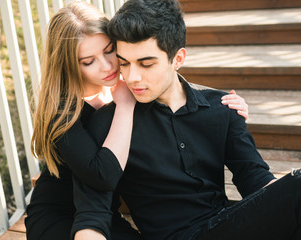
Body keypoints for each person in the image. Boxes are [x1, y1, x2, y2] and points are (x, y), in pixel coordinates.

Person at [25, 1, 249, 239]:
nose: (107, 66)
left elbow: (168, 85)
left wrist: (223, 104)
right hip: (62, 216)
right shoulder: (63, 113)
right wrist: (124, 105)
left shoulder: (121, 84)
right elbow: (104, 175)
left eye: (109, 50)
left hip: (106, 212)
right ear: (69, 64)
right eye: (88, 61)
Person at [79, 0, 301, 239]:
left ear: (178, 58)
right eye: (124, 63)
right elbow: (94, 214)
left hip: (227, 225)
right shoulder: (109, 125)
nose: (132, 77)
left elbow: (255, 180)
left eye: (146, 64)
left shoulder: (221, 107)